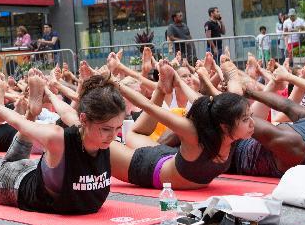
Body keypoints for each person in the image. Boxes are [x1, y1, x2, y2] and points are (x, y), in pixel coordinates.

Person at [0, 73, 124, 215]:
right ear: (84, 120)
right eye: (106, 129)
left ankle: (32, 110)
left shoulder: (90, 131)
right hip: (14, 182)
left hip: (33, 170)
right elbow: (21, 124)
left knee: (15, 161)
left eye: (118, 128)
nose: (112, 136)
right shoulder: (57, 138)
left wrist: (49, 94)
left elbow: (67, 113)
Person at [109, 67, 254, 190]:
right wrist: (113, 82)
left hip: (168, 156)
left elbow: (200, 102)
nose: (252, 123)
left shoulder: (232, 133)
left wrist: (178, 81)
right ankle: (161, 90)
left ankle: (162, 88)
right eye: (246, 119)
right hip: (150, 167)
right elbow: (149, 107)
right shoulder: (193, 133)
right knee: (105, 141)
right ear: (224, 126)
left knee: (134, 135)